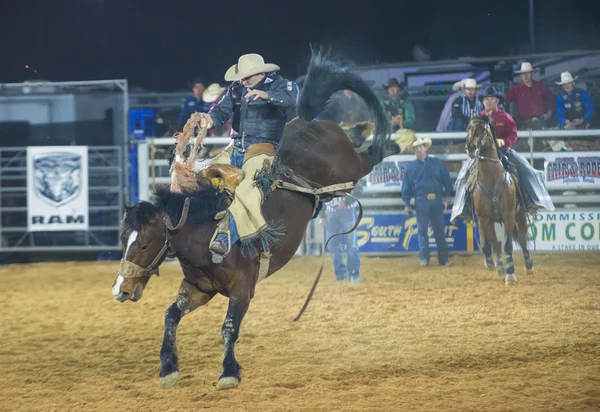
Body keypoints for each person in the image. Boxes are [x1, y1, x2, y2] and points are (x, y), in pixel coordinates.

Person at [195, 53, 299, 263]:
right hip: (236, 147)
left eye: (246, 76)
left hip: (263, 150)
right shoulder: (236, 89)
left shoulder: (281, 85)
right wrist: (209, 119)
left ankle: (224, 239)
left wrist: (266, 96)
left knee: (246, 189)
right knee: (202, 176)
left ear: (260, 73)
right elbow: (222, 111)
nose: (242, 80)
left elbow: (291, 99)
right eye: (241, 77)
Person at [451, 86, 555, 223]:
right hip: (481, 154)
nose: (489, 102)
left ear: (497, 101)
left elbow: (513, 135)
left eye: (492, 99)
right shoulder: (478, 118)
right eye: (486, 99)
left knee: (527, 169)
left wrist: (504, 142)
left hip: (504, 151)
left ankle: (533, 200)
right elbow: (471, 134)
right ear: (483, 102)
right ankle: (463, 209)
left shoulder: (505, 117)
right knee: (463, 175)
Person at [402, 136, 453, 266]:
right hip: (421, 200)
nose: (419, 150)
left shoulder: (437, 163)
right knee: (422, 231)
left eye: (421, 147)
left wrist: (448, 194)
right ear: (414, 151)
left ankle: (443, 259)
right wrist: (407, 204)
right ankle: (425, 258)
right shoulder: (411, 168)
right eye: (416, 148)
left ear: (425, 148)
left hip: (436, 199)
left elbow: (446, 179)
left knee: (439, 230)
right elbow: (406, 187)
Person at [318, 187, 361, 282]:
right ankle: (340, 274)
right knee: (333, 245)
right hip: (331, 213)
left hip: (347, 211)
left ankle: (353, 274)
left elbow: (359, 189)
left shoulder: (350, 172)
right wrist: (322, 216)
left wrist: (346, 202)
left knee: (351, 244)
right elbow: (322, 194)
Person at [505, 62, 556, 129]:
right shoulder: (515, 89)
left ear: (533, 74)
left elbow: (552, 98)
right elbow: (504, 101)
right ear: (521, 75)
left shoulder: (540, 86)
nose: (525, 76)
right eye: (523, 74)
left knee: (543, 139)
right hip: (524, 123)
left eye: (527, 73)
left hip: (541, 121)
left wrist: (549, 112)